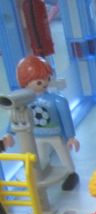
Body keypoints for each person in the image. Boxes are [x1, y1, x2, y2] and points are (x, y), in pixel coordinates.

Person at [13, 55, 79, 190]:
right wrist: (9, 133)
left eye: (47, 78)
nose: (44, 83)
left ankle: (71, 173)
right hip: (36, 135)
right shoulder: (24, 101)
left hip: (56, 134)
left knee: (63, 154)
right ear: (25, 82)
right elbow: (16, 117)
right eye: (39, 81)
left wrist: (70, 136)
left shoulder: (57, 100)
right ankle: (43, 173)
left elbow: (66, 118)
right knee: (41, 158)